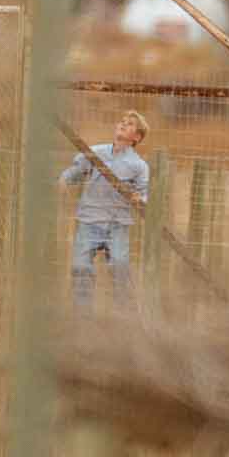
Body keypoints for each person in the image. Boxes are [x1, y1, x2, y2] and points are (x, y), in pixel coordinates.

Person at [60, 110, 151, 312]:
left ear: (137, 137)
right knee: (81, 267)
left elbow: (144, 194)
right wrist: (63, 180)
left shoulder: (139, 166)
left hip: (117, 224)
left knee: (119, 266)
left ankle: (123, 313)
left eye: (129, 124)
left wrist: (139, 199)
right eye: (122, 121)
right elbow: (75, 172)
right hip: (89, 220)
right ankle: (82, 315)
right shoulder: (95, 152)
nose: (122, 124)